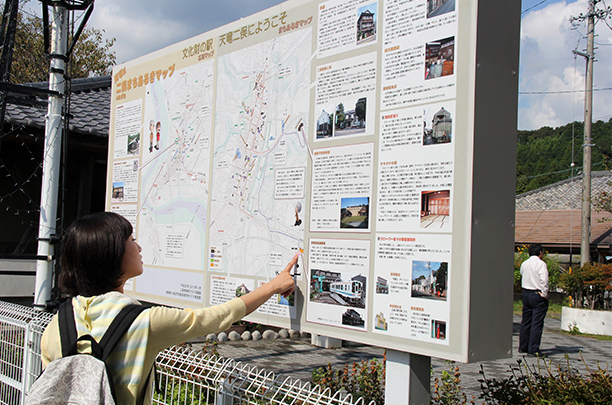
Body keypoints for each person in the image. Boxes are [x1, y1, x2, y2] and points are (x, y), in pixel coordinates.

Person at [40, 212, 296, 404]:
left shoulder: (56, 326)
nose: (139, 247)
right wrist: (273, 286)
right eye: (132, 240)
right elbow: (218, 317)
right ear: (112, 253)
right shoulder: (143, 322)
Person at [518, 243, 549, 356]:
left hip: (526, 292)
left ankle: (523, 346)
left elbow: (522, 274)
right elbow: (544, 280)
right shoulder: (541, 264)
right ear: (540, 253)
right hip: (537, 293)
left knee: (526, 320)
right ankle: (533, 348)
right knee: (537, 322)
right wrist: (544, 293)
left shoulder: (525, 263)